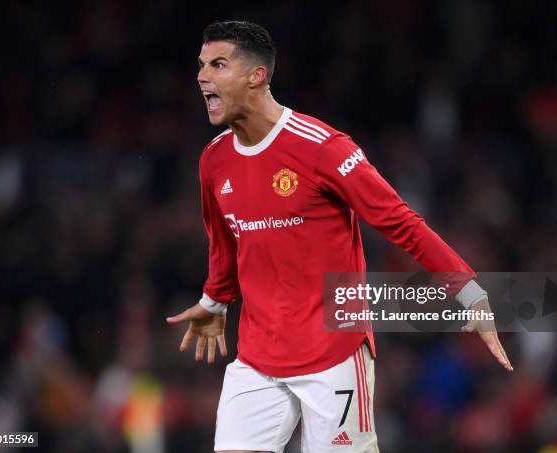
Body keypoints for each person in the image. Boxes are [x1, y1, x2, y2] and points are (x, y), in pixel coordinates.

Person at [167, 20, 513, 453]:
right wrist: (215, 300)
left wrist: (469, 291)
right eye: (201, 65)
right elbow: (224, 240)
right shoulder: (213, 160)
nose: (202, 76)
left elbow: (401, 223)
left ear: (256, 76)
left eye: (217, 65)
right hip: (257, 358)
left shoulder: (322, 148)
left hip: (332, 355)